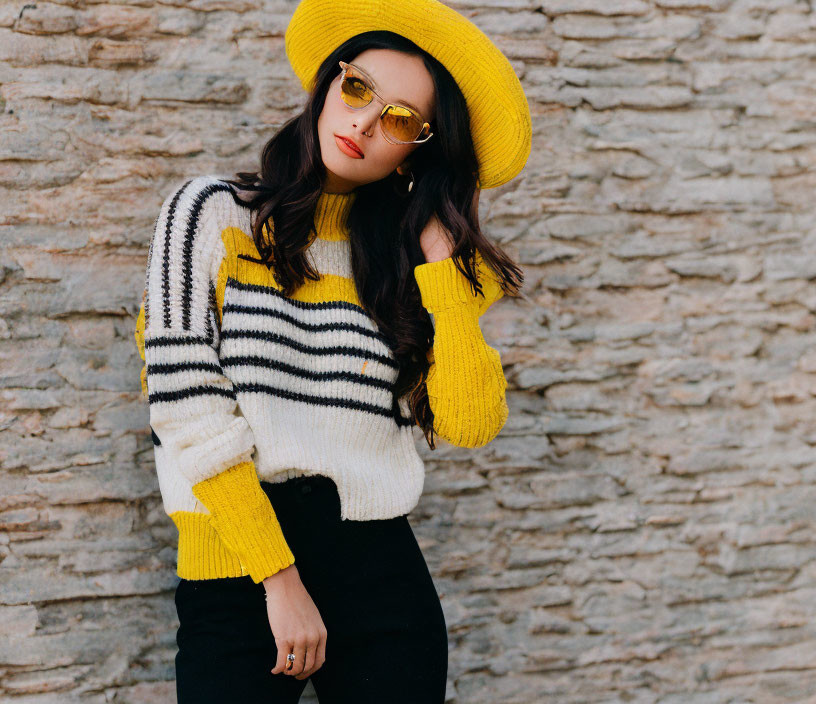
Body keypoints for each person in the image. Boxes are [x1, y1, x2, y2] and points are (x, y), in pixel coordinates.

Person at [133, 0, 532, 701]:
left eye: (403, 121)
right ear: (328, 84)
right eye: (358, 89)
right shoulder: (208, 212)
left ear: (420, 151)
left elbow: (470, 424)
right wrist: (278, 579)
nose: (366, 124)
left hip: (378, 571)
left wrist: (442, 262)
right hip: (239, 564)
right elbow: (187, 408)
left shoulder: (409, 268)